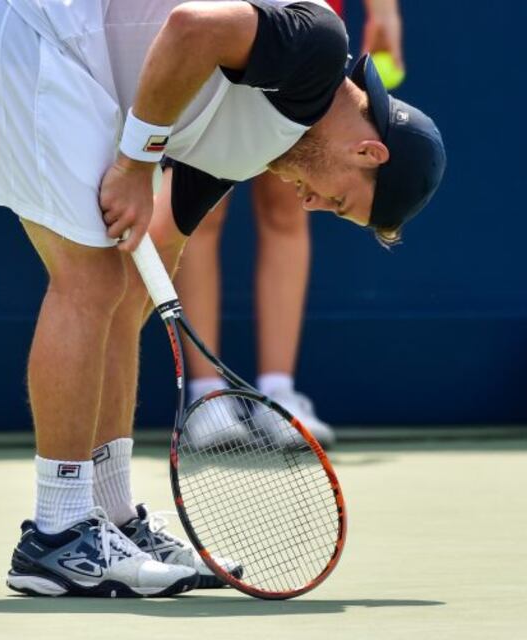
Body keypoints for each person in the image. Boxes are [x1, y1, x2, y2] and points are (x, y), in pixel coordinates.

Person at [0, 0, 444, 598]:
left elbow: (156, 255)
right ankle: (57, 533)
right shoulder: (315, 41)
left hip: (52, 53)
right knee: (91, 281)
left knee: (119, 294)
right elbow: (193, 27)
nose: (310, 205)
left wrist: (141, 238)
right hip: (30, 30)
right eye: (337, 201)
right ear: (369, 154)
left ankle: (111, 518)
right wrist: (134, 164)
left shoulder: (249, 144)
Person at [173, 0, 405, 449]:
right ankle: (206, 396)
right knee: (201, 208)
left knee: (290, 202)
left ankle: (278, 392)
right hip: (222, 15)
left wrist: (386, 12)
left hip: (299, 16)